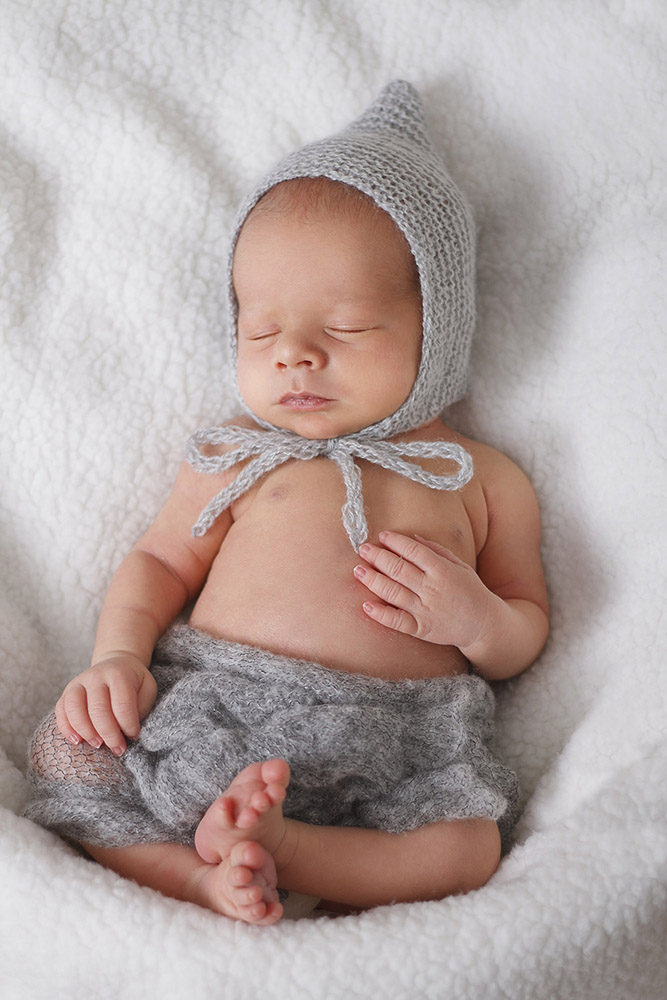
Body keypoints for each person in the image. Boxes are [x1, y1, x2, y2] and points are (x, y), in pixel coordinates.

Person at [25, 81, 549, 925]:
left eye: (342, 329)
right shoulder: (237, 454)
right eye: (262, 332)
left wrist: (476, 620)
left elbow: (522, 629)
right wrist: (117, 657)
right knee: (71, 753)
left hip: (398, 731)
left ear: (438, 328)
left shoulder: (477, 477)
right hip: (219, 706)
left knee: (467, 848)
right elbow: (160, 560)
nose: (294, 357)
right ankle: (200, 877)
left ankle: (293, 851)